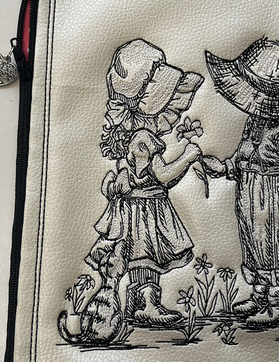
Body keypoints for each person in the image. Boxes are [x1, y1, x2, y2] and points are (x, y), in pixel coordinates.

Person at [201, 38, 279, 327]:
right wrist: (225, 167)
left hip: (276, 197)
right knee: (253, 242)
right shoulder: (253, 122)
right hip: (249, 193)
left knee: (275, 245)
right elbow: (243, 154)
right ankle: (260, 295)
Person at [85, 39, 204, 326]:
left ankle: (136, 304)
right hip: (146, 210)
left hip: (132, 210)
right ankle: (147, 305)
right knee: (146, 257)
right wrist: (188, 157)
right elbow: (163, 175)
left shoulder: (129, 133)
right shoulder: (143, 139)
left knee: (139, 258)